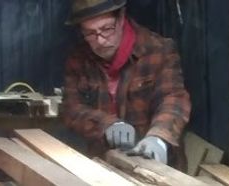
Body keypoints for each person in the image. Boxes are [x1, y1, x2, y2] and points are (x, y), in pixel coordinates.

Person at [62, 0, 191, 171]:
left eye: (106, 29)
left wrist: (158, 138)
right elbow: (71, 109)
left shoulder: (159, 50)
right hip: (103, 170)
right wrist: (107, 125)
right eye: (90, 33)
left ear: (122, 17)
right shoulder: (78, 60)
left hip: (160, 170)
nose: (100, 40)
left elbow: (174, 99)